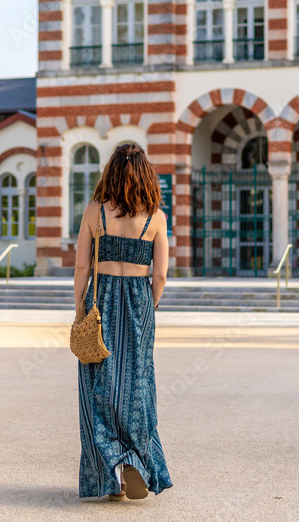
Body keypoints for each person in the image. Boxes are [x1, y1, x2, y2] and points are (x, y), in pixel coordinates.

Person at [73, 143, 172, 501]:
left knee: (97, 384)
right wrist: (150, 305)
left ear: (109, 172)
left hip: (100, 300)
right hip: (139, 300)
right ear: (146, 174)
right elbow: (159, 274)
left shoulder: (94, 211)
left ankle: (112, 466)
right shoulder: (156, 218)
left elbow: (82, 266)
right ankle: (137, 461)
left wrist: (79, 309)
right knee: (137, 383)